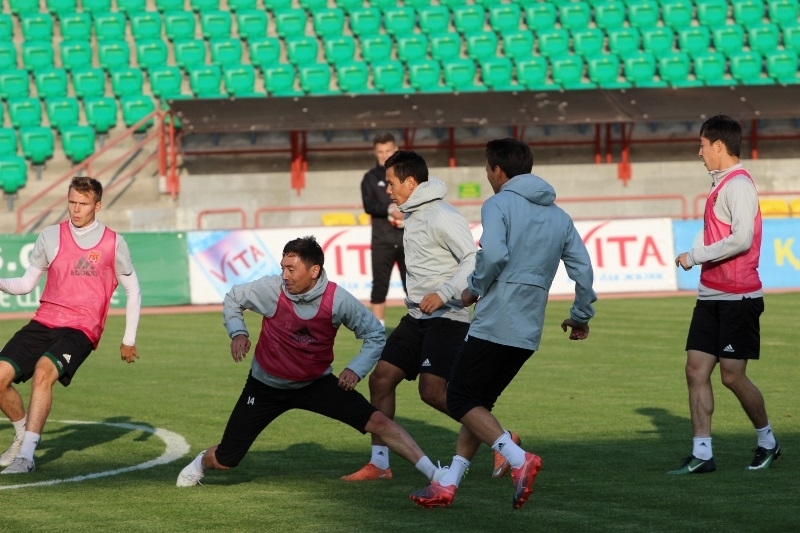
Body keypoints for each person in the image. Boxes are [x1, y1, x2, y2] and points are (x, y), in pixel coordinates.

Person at [410, 138, 596, 509]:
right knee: (477, 404)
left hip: (496, 319)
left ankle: (517, 458)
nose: (487, 175)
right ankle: (449, 483)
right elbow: (583, 269)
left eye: (487, 169)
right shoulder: (560, 216)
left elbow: (493, 255)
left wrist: (473, 289)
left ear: (497, 170)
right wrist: (580, 315)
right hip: (528, 329)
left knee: (459, 397)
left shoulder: (498, 204)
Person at [176, 236, 443, 488]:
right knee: (226, 460)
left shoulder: (338, 300)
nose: (284, 275)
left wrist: (356, 369)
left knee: (380, 423)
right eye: (283, 268)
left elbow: (374, 334)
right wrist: (238, 333)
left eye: (291, 269)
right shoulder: (271, 289)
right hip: (265, 386)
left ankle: (437, 475)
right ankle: (199, 463)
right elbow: (234, 297)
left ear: (314, 271)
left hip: (316, 384)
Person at [343, 150, 485, 481]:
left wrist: (444, 293)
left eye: (391, 183)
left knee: (432, 391)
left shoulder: (441, 214)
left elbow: (473, 259)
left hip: (448, 316)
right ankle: (380, 464)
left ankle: (498, 437)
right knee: (381, 379)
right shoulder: (413, 213)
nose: (388, 190)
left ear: (410, 182)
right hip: (417, 317)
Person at [0, 176, 141, 474]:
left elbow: (133, 290)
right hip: (44, 321)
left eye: (83, 204)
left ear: (97, 206)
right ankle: (23, 434)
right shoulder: (50, 235)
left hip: (81, 327)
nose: (76, 209)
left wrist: (129, 339)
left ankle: (26, 457)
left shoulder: (113, 242)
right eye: (72, 202)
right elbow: (26, 284)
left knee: (43, 372)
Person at [671, 114, 779, 475]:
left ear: (718, 145)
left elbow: (741, 238)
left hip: (738, 297)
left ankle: (768, 441)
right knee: (695, 370)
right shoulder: (720, 184)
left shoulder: (739, 185)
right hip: (711, 296)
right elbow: (717, 234)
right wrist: (696, 253)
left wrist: (694, 256)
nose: (699, 152)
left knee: (732, 376)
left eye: (702, 144)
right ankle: (702, 453)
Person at [360, 132, 406, 326]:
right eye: (380, 151)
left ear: (395, 149)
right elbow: (368, 205)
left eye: (388, 150)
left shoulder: (407, 174)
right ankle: (378, 332)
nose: (384, 155)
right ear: (375, 152)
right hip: (382, 241)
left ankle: (421, 327)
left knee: (413, 286)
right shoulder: (369, 178)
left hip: (408, 240)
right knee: (379, 287)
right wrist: (389, 209)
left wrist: (405, 212)